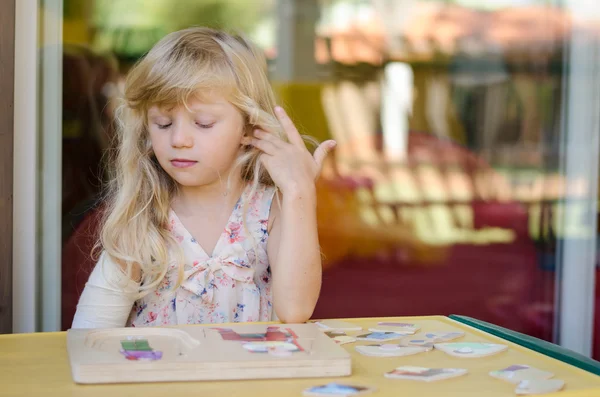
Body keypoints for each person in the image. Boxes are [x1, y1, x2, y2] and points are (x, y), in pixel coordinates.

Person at [71, 27, 336, 328]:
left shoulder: (268, 211)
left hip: (247, 375)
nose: (179, 139)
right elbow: (90, 329)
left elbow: (295, 310)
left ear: (249, 129)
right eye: (163, 122)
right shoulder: (143, 217)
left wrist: (299, 191)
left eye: (203, 123)